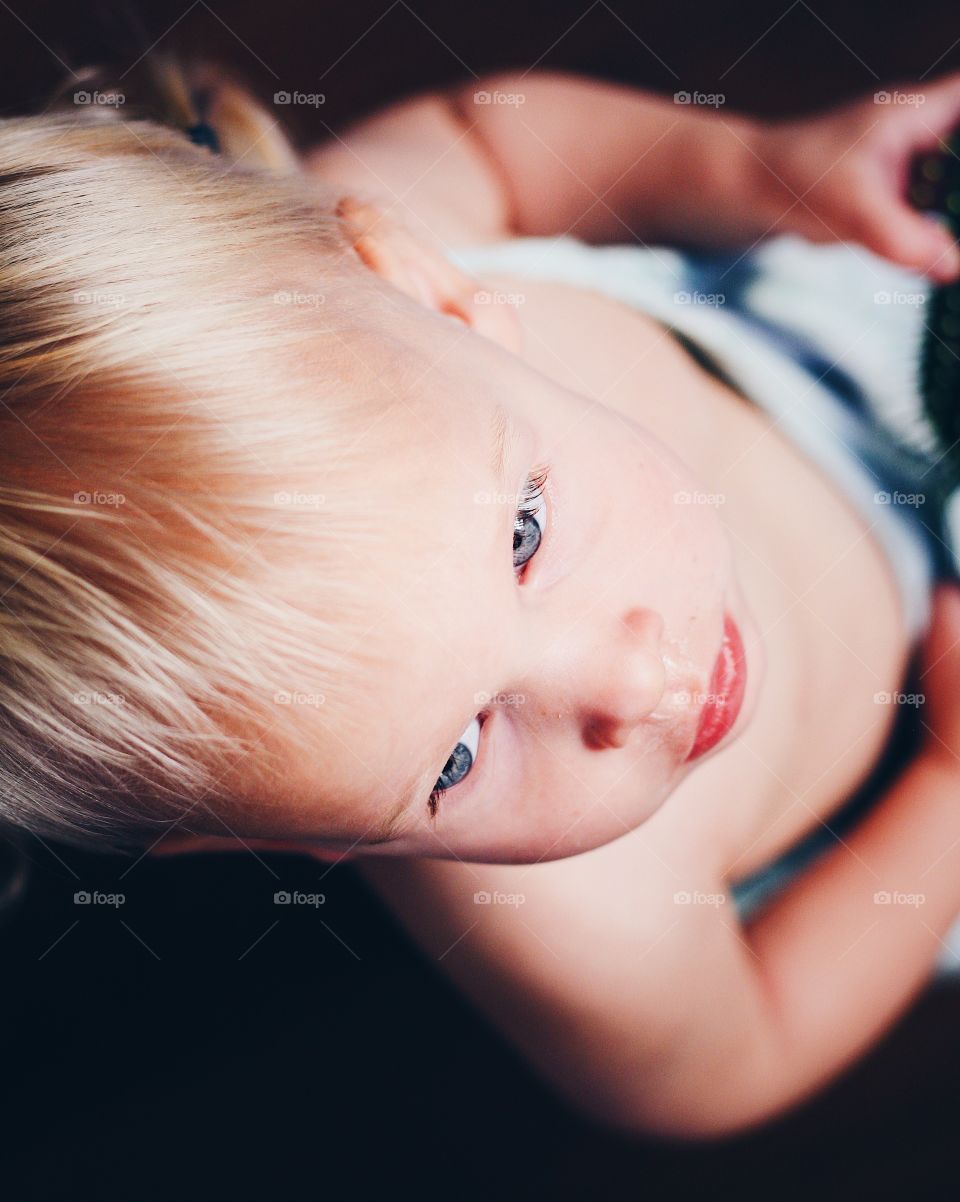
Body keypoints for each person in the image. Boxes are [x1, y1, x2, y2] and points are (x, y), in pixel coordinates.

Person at [4, 54, 960, 1138]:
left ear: (427, 289)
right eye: (456, 755)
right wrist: (944, 784)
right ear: (289, 838)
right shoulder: (581, 924)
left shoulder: (362, 307)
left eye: (523, 533)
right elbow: (738, 1056)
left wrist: (757, 168)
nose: (638, 685)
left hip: (838, 342)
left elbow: (485, 138)